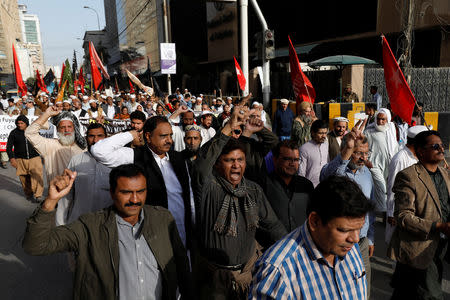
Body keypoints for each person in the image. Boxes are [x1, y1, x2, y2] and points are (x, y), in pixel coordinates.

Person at [22, 164, 193, 300]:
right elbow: (36, 245)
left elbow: (181, 264)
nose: (135, 199)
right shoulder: (90, 226)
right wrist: (51, 201)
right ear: (112, 193)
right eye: (126, 192)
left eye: (140, 192)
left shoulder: (162, 219)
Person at [192, 107, 287, 299]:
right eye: (229, 160)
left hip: (248, 276)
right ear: (218, 165)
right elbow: (202, 164)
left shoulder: (253, 190)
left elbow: (273, 226)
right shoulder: (209, 187)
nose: (236, 165)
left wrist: (292, 250)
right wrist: (227, 128)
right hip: (215, 279)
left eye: (240, 160)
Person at [249, 176, 372, 299]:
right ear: (315, 221)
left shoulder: (349, 246)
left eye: (359, 228)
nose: (355, 239)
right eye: (344, 230)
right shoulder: (277, 273)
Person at [90, 116, 195, 249]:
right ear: (148, 136)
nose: (169, 140)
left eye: (170, 135)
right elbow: (99, 151)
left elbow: (189, 197)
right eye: (163, 136)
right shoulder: (135, 156)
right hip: (151, 235)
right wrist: (130, 134)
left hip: (182, 234)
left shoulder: (178, 159)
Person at [388, 130, 450, 299]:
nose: (441, 149)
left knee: (406, 292)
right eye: (435, 146)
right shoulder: (408, 176)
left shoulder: (445, 173)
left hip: (441, 246)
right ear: (421, 151)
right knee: (431, 295)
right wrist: (437, 226)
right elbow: (403, 216)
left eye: (442, 145)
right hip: (419, 246)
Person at [320, 119, 375, 297]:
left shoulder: (366, 174)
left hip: (362, 242)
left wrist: (371, 237)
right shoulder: (337, 171)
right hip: (339, 241)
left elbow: (370, 209)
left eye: (366, 154)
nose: (363, 158)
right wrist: (348, 147)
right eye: (358, 153)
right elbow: (328, 178)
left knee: (363, 288)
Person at [55, 123, 111, 225]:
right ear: (86, 138)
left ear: (106, 138)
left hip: (107, 223)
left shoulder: (116, 161)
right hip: (79, 222)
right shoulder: (76, 161)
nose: (95, 140)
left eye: (100, 136)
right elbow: (66, 196)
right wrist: (61, 226)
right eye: (91, 136)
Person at [385, 125, 428, 244]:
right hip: (400, 210)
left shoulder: (419, 157)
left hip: (415, 209)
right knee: (397, 245)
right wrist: (391, 212)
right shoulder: (400, 159)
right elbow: (392, 186)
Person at [263, 140, 314, 232]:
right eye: (287, 159)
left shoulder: (306, 185)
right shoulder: (263, 184)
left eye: (296, 160)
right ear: (275, 160)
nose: (292, 163)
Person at [25, 106, 86, 182]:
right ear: (57, 130)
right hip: (58, 192)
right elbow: (30, 133)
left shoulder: (83, 147)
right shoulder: (50, 145)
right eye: (62, 127)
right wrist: (47, 114)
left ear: (74, 128)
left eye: (69, 127)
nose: (66, 130)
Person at [364, 108, 398, 213]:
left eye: (383, 119)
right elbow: (362, 146)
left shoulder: (391, 130)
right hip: (374, 163)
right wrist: (366, 160)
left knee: (389, 188)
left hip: (389, 163)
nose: (380, 122)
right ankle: (383, 210)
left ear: (388, 119)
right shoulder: (369, 130)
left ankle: (385, 210)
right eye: (378, 119)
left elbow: (395, 147)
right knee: (380, 185)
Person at [6, 115, 43, 202]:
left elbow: (40, 143)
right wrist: (12, 158)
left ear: (26, 123)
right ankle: (29, 193)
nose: (19, 125)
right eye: (18, 123)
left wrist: (44, 155)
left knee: (37, 176)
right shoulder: (13, 133)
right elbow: (9, 147)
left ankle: (38, 195)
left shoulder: (33, 131)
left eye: (22, 123)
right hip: (20, 159)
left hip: (35, 157)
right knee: (24, 178)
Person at [298, 119, 329, 187]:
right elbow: (301, 172)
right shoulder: (304, 149)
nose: (324, 136)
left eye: (325, 133)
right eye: (320, 133)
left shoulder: (326, 145)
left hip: (325, 186)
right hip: (310, 188)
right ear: (312, 133)